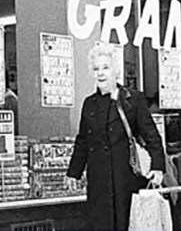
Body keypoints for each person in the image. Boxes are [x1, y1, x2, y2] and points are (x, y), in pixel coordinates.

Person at [66, 42, 166, 230]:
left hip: (126, 179)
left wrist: (158, 167)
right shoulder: (89, 104)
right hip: (99, 181)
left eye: (106, 67)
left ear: (116, 71)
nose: (101, 73)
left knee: (127, 224)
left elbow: (151, 135)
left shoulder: (132, 99)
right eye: (96, 69)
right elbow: (83, 141)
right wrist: (74, 173)